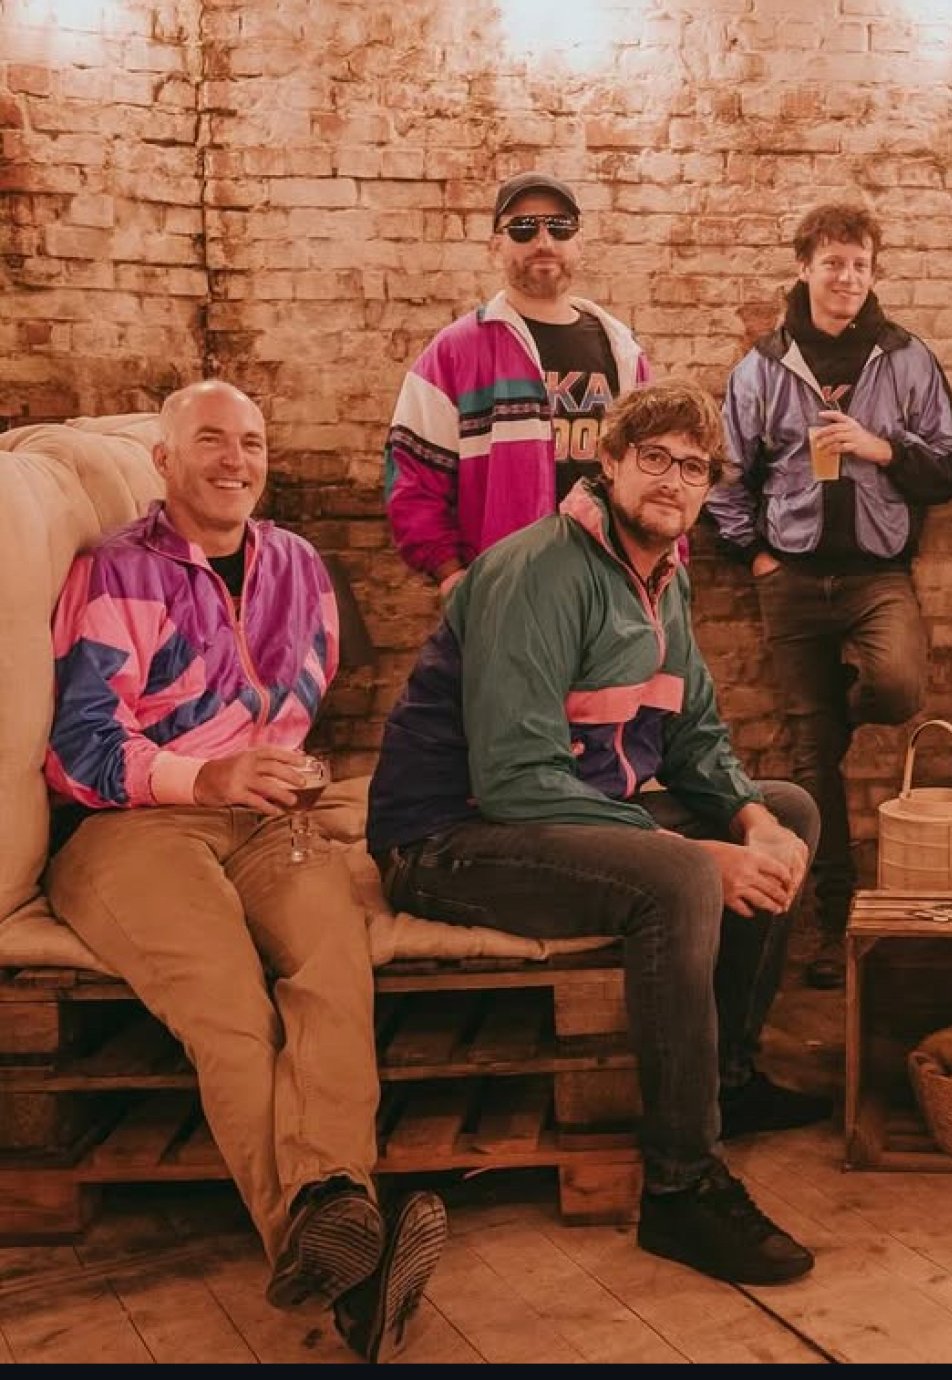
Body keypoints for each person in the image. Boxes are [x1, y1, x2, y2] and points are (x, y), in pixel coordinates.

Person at [368, 380, 823, 1285]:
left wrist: (753, 821)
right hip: (452, 835)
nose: (674, 480)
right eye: (654, 458)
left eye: (693, 467)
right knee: (680, 880)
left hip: (561, 807)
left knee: (792, 809)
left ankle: (724, 1080)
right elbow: (514, 777)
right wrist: (693, 853)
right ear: (608, 463)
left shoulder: (663, 575)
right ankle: (681, 1189)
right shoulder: (539, 569)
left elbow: (693, 735)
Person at [42, 381, 446, 1363]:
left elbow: (294, 708)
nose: (236, 460)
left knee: (334, 967)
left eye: (252, 442)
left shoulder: (299, 566)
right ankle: (343, 1245)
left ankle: (333, 1218)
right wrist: (205, 773)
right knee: (228, 1003)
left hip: (266, 823)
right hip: (130, 826)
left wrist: (278, 770)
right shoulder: (117, 571)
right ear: (164, 461)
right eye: (211, 441)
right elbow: (80, 747)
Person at [709, 202, 952, 989]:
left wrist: (881, 448)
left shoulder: (906, 357)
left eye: (860, 264)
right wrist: (754, 555)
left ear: (872, 271)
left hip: (876, 573)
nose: (847, 277)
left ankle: (836, 713)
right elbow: (726, 475)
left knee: (897, 687)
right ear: (804, 268)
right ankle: (831, 922)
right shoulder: (762, 366)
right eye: (832, 263)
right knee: (808, 761)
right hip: (790, 579)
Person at [384, 170, 650, 596]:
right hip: (506, 591)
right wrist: (450, 574)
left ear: (579, 243)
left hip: (613, 589)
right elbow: (413, 475)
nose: (544, 241)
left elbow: (656, 471)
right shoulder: (455, 352)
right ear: (496, 246)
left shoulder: (624, 353)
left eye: (559, 227)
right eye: (523, 229)